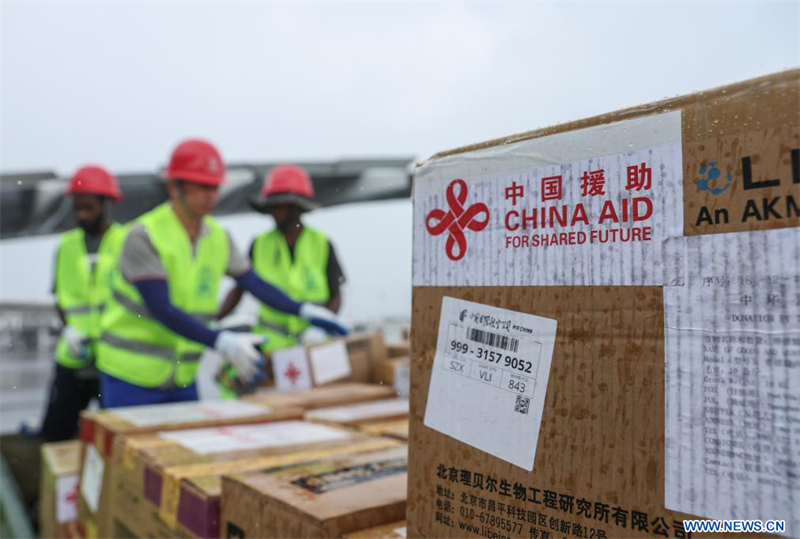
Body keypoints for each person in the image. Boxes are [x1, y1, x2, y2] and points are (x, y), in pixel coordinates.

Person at [96, 139, 347, 408]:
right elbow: (162, 308)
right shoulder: (143, 235)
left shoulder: (219, 238)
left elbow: (254, 284)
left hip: (182, 376)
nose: (212, 195)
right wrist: (222, 340)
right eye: (203, 186)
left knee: (182, 450)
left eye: (215, 187)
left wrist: (305, 311)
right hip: (130, 378)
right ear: (174, 186)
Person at [39, 165, 127, 441]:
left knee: (116, 439)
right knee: (56, 434)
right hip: (73, 358)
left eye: (88, 208)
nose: (81, 215)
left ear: (106, 204)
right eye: (77, 208)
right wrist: (70, 329)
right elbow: (61, 297)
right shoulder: (66, 245)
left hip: (112, 359)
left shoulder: (127, 242)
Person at [217, 164, 345, 352]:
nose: (272, 212)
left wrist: (319, 328)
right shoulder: (259, 244)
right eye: (270, 206)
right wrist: (213, 322)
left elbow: (336, 295)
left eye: (278, 206)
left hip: (314, 346)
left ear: (295, 207)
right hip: (272, 346)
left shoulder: (322, 243)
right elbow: (239, 289)